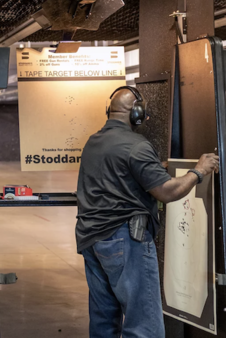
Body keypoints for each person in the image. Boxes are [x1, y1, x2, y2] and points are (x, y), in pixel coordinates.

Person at [76, 86, 219, 338]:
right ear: (136, 113)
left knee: (104, 323)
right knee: (144, 325)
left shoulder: (94, 141)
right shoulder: (136, 146)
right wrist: (199, 171)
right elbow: (168, 192)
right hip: (125, 242)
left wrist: (151, 168)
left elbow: (118, 174)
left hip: (92, 240)